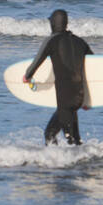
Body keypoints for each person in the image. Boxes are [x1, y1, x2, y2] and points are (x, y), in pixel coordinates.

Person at [24, 9, 92, 146]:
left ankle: (57, 163)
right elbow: (92, 69)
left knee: (51, 134)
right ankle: (78, 162)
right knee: (75, 141)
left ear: (53, 23)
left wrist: (27, 76)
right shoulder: (80, 42)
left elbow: (36, 63)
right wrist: (88, 100)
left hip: (65, 102)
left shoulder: (52, 41)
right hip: (78, 98)